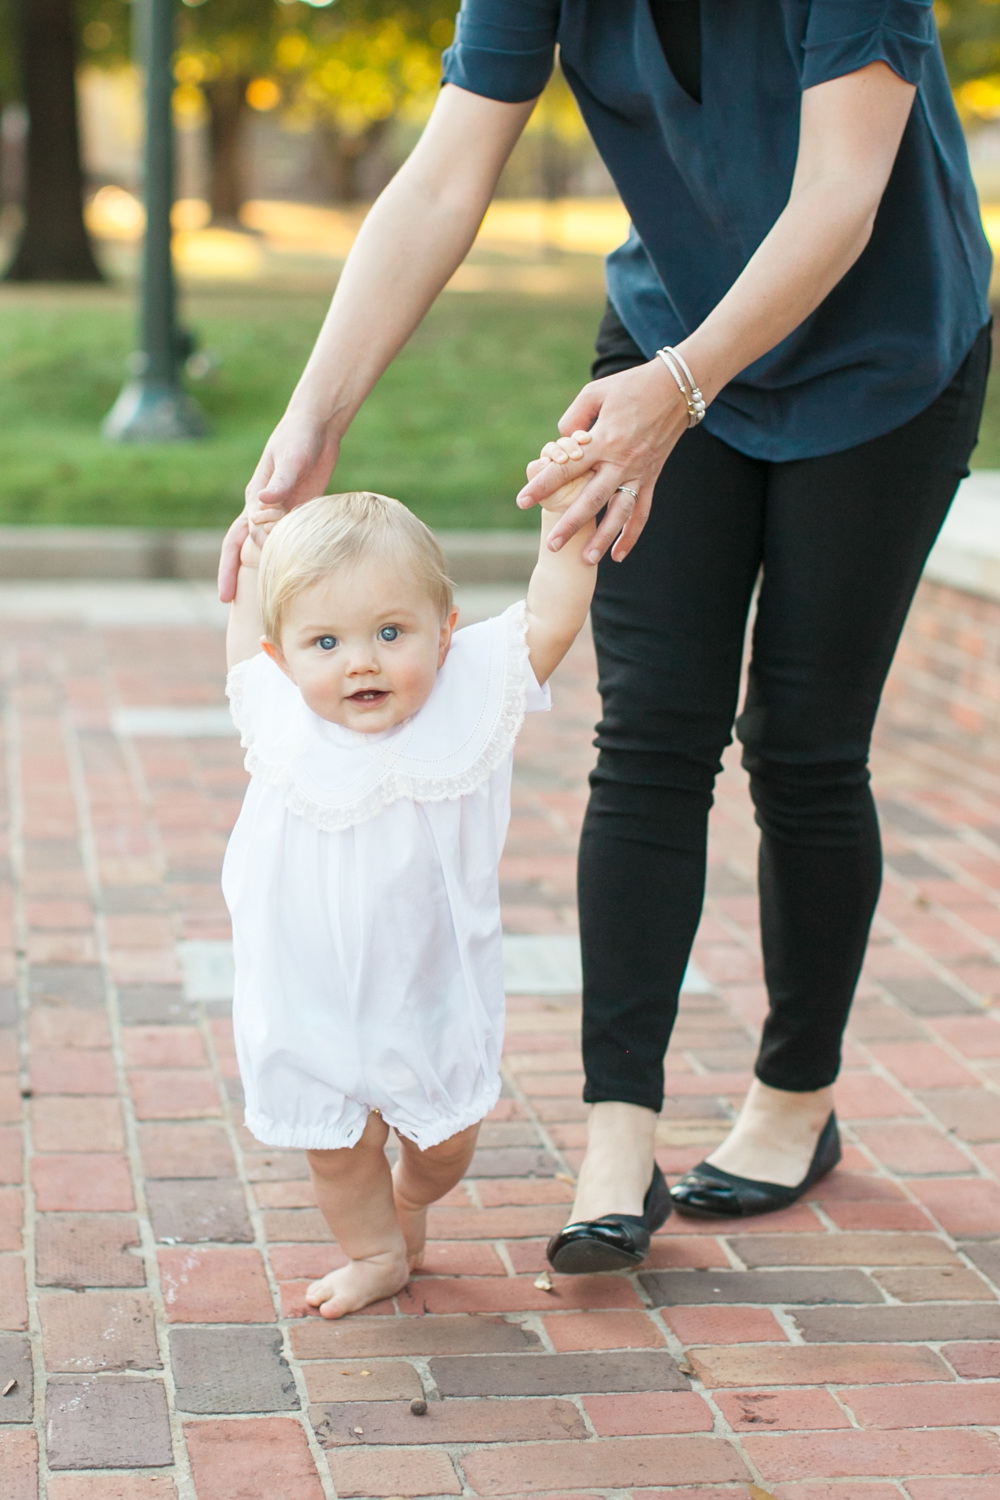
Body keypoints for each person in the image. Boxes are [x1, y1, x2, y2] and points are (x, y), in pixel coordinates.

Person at [221, 1, 992, 1271]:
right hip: (665, 330)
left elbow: (841, 198)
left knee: (801, 742)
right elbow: (441, 179)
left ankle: (794, 1102)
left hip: (879, 357)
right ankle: (616, 1136)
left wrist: (681, 390)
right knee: (650, 729)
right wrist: (312, 420)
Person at [222, 481, 602, 1316]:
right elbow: (242, 644)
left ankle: (414, 1199)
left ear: (446, 632)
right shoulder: (281, 711)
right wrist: (257, 545)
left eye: (391, 634)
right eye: (326, 641)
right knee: (337, 1146)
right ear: (284, 659)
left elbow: (549, 622)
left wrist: (565, 525)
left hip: (430, 992)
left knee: (445, 1144)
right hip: (308, 996)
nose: (362, 660)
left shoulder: (464, 700)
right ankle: (375, 1252)